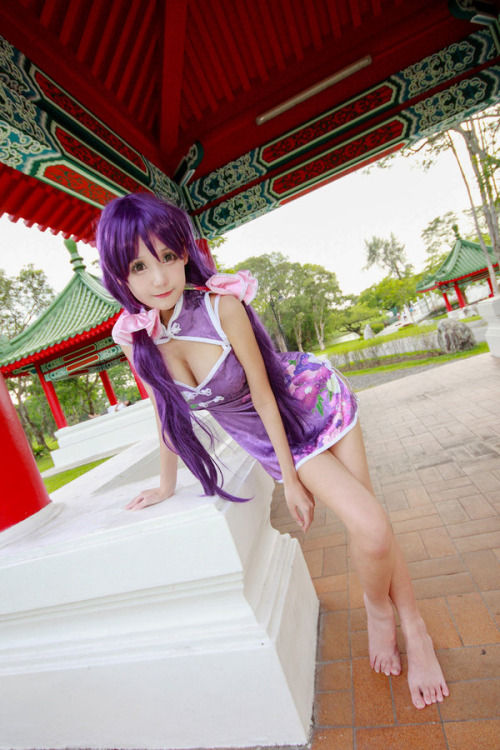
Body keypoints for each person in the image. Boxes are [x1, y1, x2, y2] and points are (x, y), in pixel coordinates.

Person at [96, 192, 449, 710]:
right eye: (139, 266)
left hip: (309, 400)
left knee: (372, 527)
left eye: (168, 256)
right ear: (119, 275)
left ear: (184, 252)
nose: (160, 277)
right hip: (270, 436)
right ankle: (391, 615)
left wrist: (291, 479)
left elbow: (263, 394)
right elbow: (164, 412)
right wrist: (166, 484)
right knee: (373, 528)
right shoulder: (137, 339)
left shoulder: (220, 306)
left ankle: (403, 622)